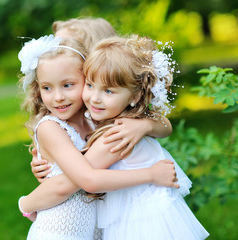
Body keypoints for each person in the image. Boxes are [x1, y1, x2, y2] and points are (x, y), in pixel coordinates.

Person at [17, 34, 179, 240]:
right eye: (47, 87)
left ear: (87, 78)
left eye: (68, 85)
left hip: (89, 231)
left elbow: (166, 125)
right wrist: (150, 175)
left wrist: (145, 125)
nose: (58, 97)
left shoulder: (94, 116)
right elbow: (88, 180)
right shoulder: (51, 128)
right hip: (58, 232)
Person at [79, 34, 209, 239]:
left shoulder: (114, 135)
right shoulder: (134, 119)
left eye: (108, 91)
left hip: (138, 224)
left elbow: (77, 177)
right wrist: (147, 125)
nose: (94, 98)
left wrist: (29, 203)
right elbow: (165, 125)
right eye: (89, 85)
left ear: (135, 96)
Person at [31, 17, 173, 181]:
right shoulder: (79, 111)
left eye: (66, 43)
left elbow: (164, 125)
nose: (58, 50)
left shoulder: (105, 110)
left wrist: (146, 125)